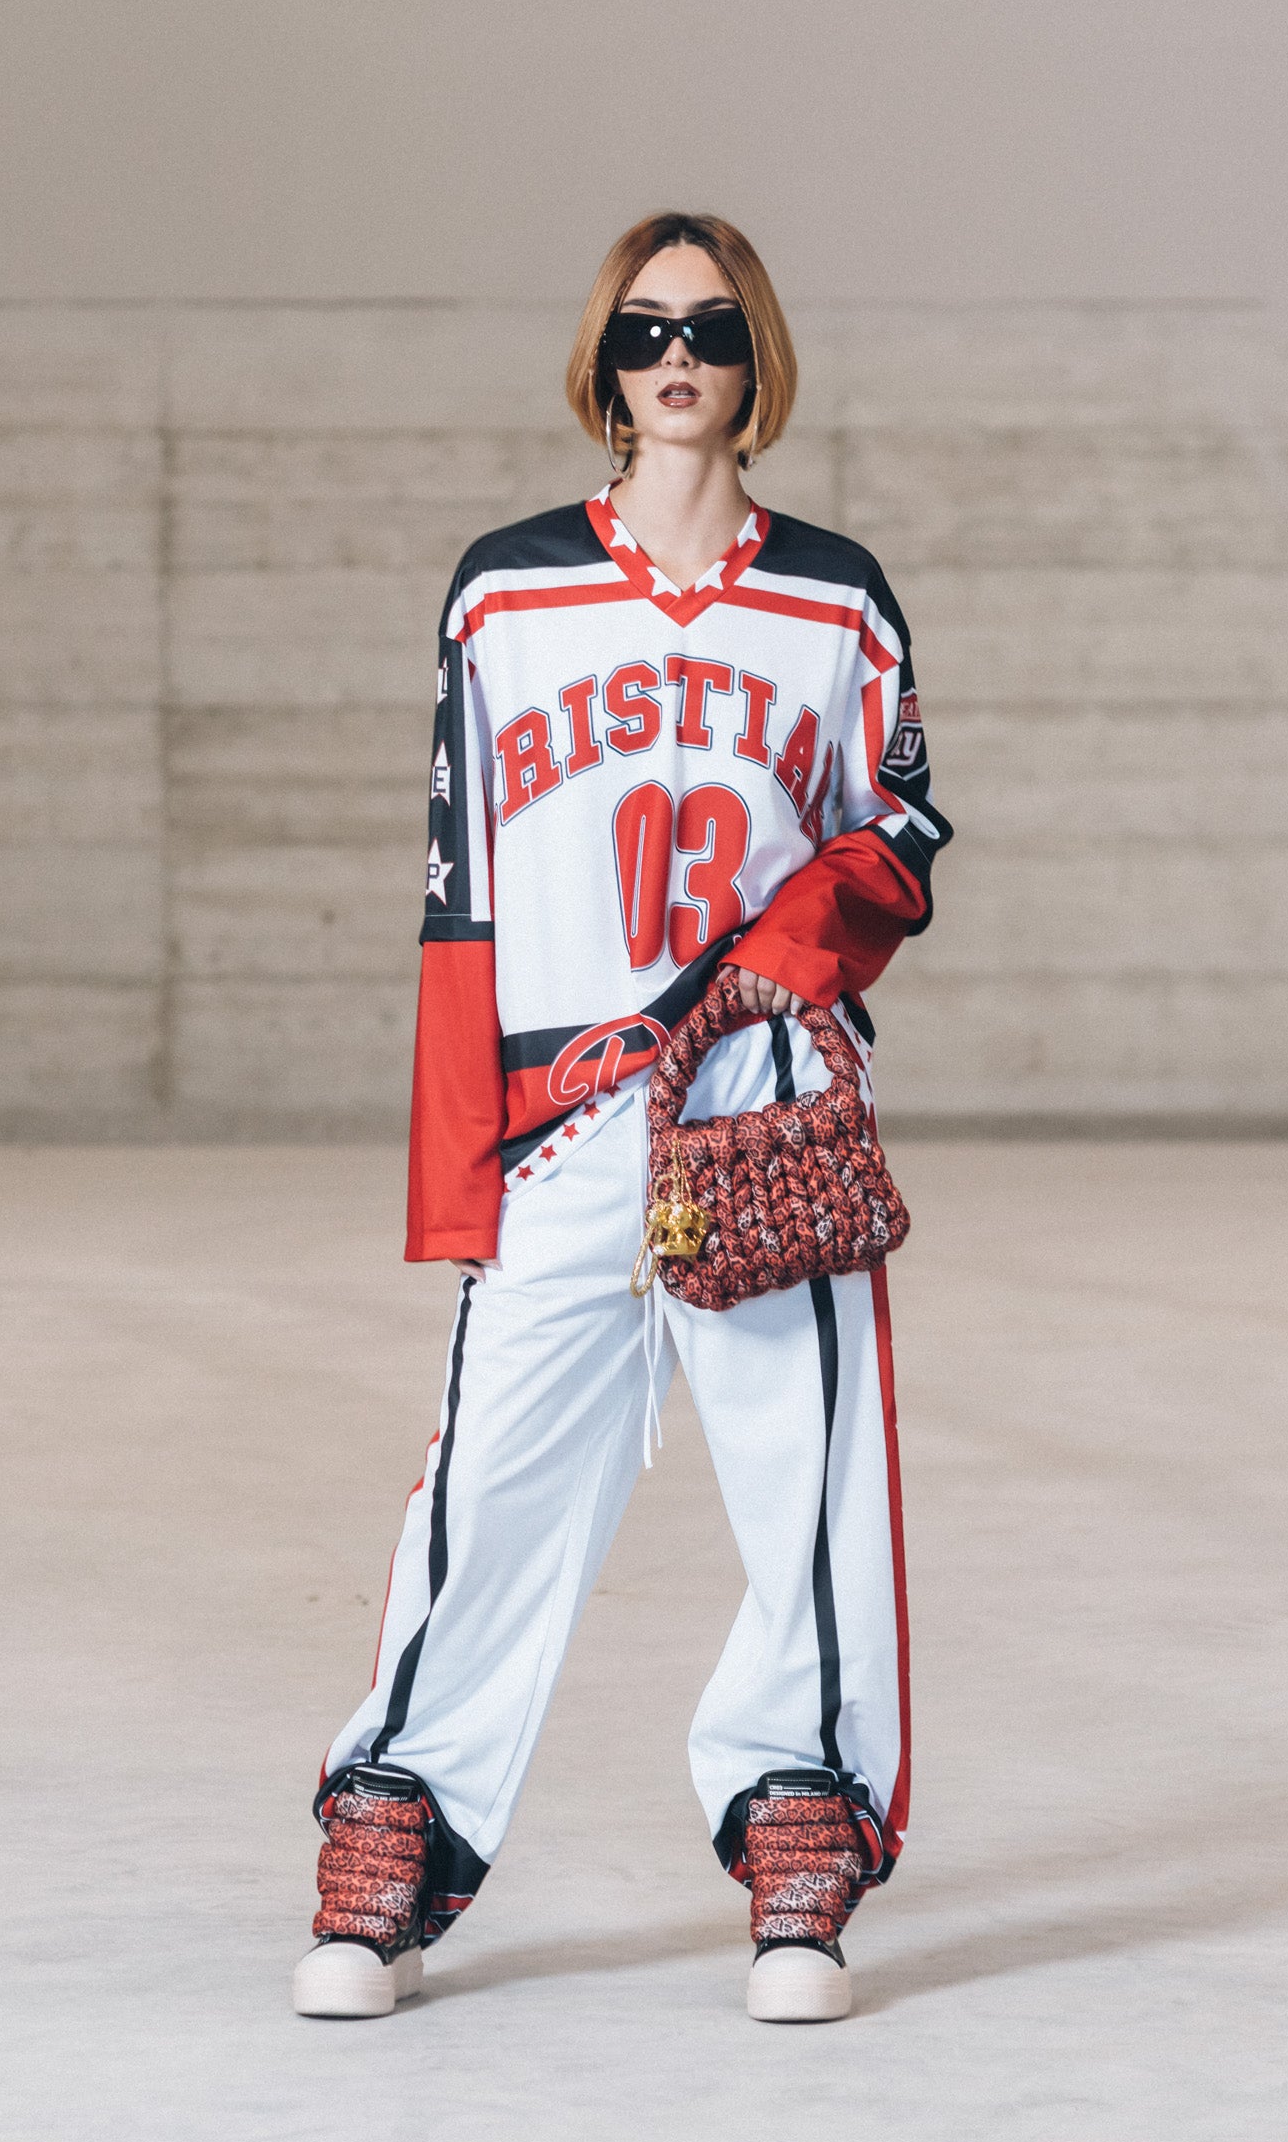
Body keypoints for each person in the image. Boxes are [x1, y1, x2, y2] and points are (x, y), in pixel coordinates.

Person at [296, 211, 951, 2024]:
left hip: (759, 1099)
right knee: (489, 1483)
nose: (679, 356)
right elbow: (459, 895)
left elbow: (899, 830)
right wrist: (464, 1164)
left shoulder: (837, 598)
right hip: (565, 1114)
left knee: (812, 1479)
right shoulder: (503, 594)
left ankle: (803, 1837)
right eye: (646, 328)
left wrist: (787, 958)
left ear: (758, 362)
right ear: (601, 361)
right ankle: (396, 1830)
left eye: (714, 328)